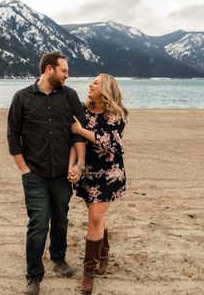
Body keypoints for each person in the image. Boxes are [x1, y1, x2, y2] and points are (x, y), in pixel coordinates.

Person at [7, 52, 86, 295]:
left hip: (63, 174)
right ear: (49, 69)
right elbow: (13, 136)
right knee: (38, 222)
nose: (67, 75)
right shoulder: (22, 98)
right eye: (64, 70)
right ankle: (34, 276)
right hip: (35, 175)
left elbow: (78, 133)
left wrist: (79, 165)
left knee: (61, 219)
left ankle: (59, 259)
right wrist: (24, 170)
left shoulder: (70, 96)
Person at [70, 74, 128, 294]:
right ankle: (103, 254)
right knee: (98, 217)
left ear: (105, 88)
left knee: (94, 218)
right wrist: (75, 165)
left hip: (109, 173)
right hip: (88, 172)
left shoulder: (117, 114)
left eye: (94, 83)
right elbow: (74, 141)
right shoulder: (82, 112)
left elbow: (111, 142)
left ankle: (88, 274)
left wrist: (81, 130)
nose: (89, 85)